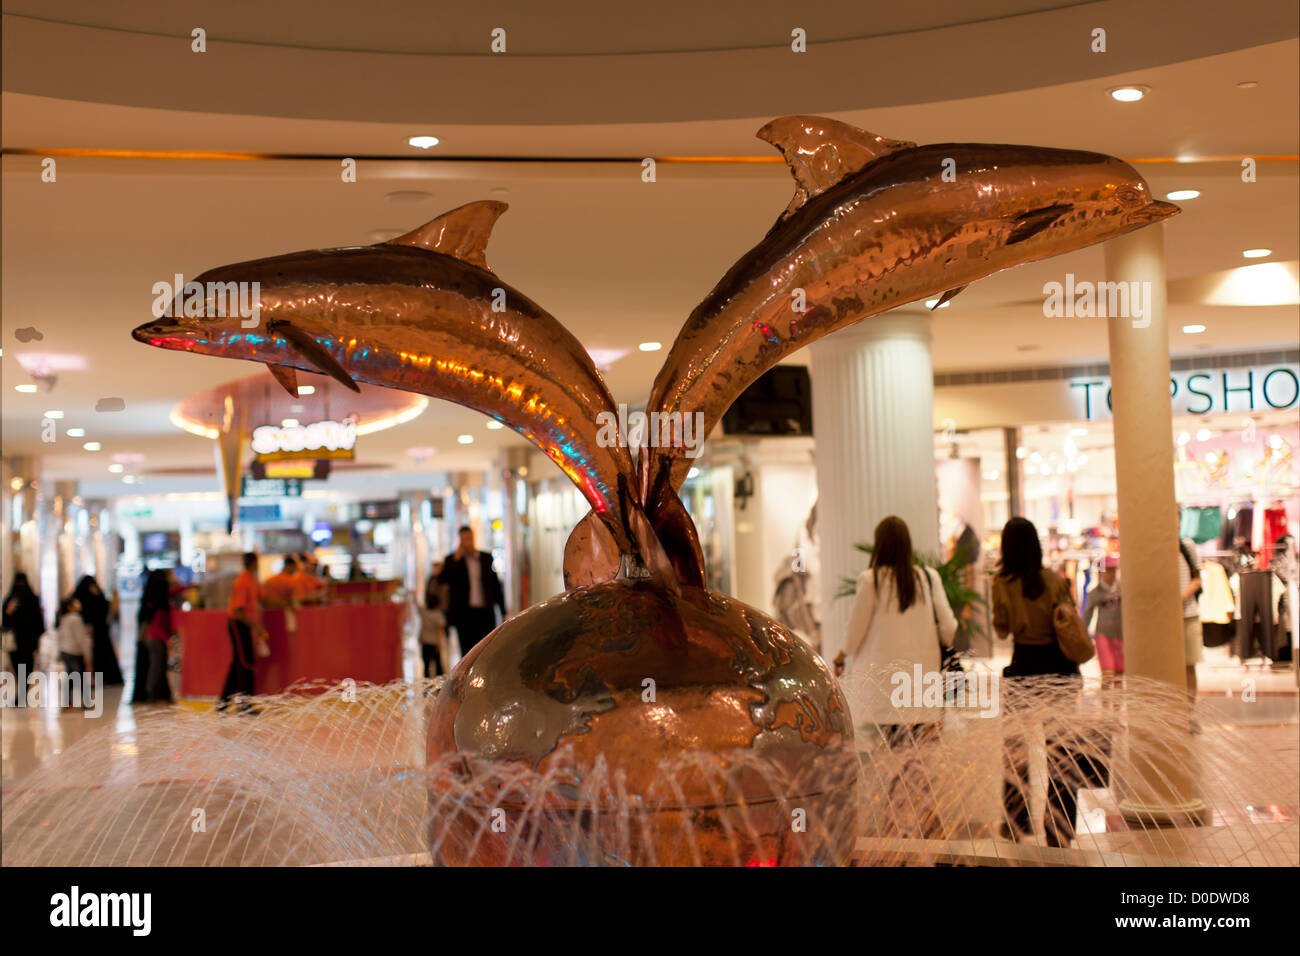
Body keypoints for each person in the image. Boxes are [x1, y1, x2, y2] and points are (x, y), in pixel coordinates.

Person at [992, 517, 1087, 847]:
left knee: (1016, 752)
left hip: (1022, 669)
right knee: (1061, 753)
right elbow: (1070, 619)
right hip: (1059, 671)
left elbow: (1001, 630)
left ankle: (1016, 823)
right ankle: (1059, 830)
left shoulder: (1001, 583)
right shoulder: (1054, 580)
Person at [835, 516, 957, 747]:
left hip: (883, 687)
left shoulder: (871, 580)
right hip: (921, 680)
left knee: (887, 755)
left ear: (879, 545)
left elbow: (855, 628)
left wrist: (841, 656)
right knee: (918, 753)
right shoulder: (929, 578)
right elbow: (949, 627)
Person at [437, 526, 505, 659]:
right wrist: (456, 558)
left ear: (473, 537)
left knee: (486, 650)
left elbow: (495, 586)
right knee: (467, 653)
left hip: (484, 613)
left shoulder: (485, 558)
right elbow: (443, 579)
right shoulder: (453, 560)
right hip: (464, 614)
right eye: (463, 539)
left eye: (468, 538)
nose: (467, 542)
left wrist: (503, 611)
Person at [220, 552, 264, 714]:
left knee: (239, 663)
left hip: (244, 624)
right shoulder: (243, 582)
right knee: (245, 663)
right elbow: (238, 610)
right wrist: (256, 627)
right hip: (238, 624)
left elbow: (262, 599)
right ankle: (244, 705)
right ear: (254, 563)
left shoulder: (252, 581)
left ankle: (223, 703)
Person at [133, 569, 175, 704]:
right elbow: (158, 628)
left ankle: (154, 694)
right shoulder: (160, 608)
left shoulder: (149, 602)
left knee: (156, 667)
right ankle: (153, 695)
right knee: (156, 668)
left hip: (150, 639)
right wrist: (167, 640)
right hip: (155, 639)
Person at [1082, 554, 1123, 688]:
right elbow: (1087, 614)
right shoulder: (1095, 593)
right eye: (1108, 570)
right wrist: (1082, 635)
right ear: (1101, 572)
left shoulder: (1122, 589)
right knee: (1107, 674)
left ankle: (1116, 708)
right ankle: (1105, 706)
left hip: (1120, 636)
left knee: (1119, 676)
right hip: (1103, 635)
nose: (1111, 573)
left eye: (1113, 570)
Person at [74, 575, 123, 686]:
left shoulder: (93, 595)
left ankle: (97, 679)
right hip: (90, 631)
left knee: (98, 656)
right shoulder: (86, 595)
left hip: (98, 631)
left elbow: (103, 608)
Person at [3, 572, 45, 682]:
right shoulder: (32, 598)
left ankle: (22, 691)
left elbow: (5, 622)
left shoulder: (11, 598)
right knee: (27, 665)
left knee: (18, 666)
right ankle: (24, 690)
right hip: (28, 641)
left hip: (16, 641)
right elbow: (39, 621)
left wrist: (8, 612)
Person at [1177, 529, 1203, 700]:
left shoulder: (1186, 546)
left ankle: (1190, 710)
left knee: (1189, 665)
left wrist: (1182, 596)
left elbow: (1197, 579)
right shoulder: (1157, 547)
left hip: (1189, 614)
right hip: (1165, 618)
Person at [55, 595, 93, 700]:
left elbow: (60, 636)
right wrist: (87, 654)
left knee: (71, 676)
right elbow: (81, 638)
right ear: (70, 607)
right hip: (75, 652)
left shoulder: (63, 618)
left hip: (65, 651)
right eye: (76, 603)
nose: (78, 605)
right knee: (79, 676)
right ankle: (86, 701)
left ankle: (68, 701)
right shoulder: (76, 618)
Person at [420, 563, 448, 679]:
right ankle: (439, 682)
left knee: (427, 665)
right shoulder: (438, 616)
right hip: (434, 642)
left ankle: (428, 682)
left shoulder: (424, 613)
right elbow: (440, 629)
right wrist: (441, 643)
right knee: (437, 664)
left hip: (425, 642)